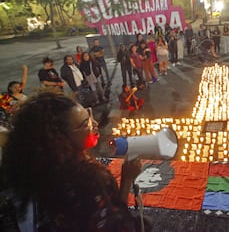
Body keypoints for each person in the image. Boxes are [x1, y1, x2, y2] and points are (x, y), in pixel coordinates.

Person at [1, 91, 150, 231]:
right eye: (85, 123)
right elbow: (117, 226)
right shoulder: (84, 182)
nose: (95, 124)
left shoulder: (35, 167)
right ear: (60, 138)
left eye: (89, 115)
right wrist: (127, 180)